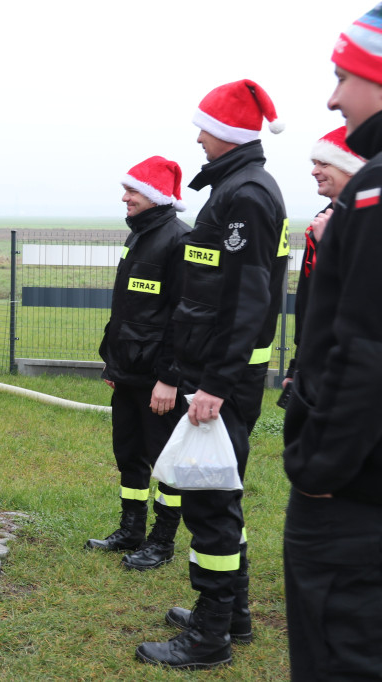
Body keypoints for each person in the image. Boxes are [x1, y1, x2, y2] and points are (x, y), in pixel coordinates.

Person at [135, 80, 289, 670]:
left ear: (226, 133)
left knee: (208, 501)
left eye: (203, 128)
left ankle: (210, 634)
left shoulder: (245, 194)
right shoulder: (236, 187)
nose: (197, 138)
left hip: (224, 379)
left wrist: (216, 386)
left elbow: (248, 300)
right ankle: (235, 614)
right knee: (218, 495)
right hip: (218, 372)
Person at [283, 5, 382, 678]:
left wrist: (316, 470)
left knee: (337, 646)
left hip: (353, 495)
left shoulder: (374, 193)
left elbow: (365, 349)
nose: (331, 96)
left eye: (345, 75)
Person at [87, 157, 191, 572]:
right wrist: (114, 366)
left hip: (158, 380)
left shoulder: (180, 240)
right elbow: (130, 312)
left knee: (165, 460)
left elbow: (185, 318)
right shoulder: (139, 238)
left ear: (156, 196)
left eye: (133, 191)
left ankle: (161, 542)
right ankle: (131, 530)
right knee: (129, 454)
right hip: (128, 374)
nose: (125, 197)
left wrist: (169, 379)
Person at [281, 127, 365, 389]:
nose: (314, 171)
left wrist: (331, 243)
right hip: (316, 360)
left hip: (352, 367)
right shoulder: (323, 219)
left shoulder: (367, 220)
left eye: (324, 163)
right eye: (314, 163)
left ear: (350, 167)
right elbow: (310, 303)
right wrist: (297, 366)